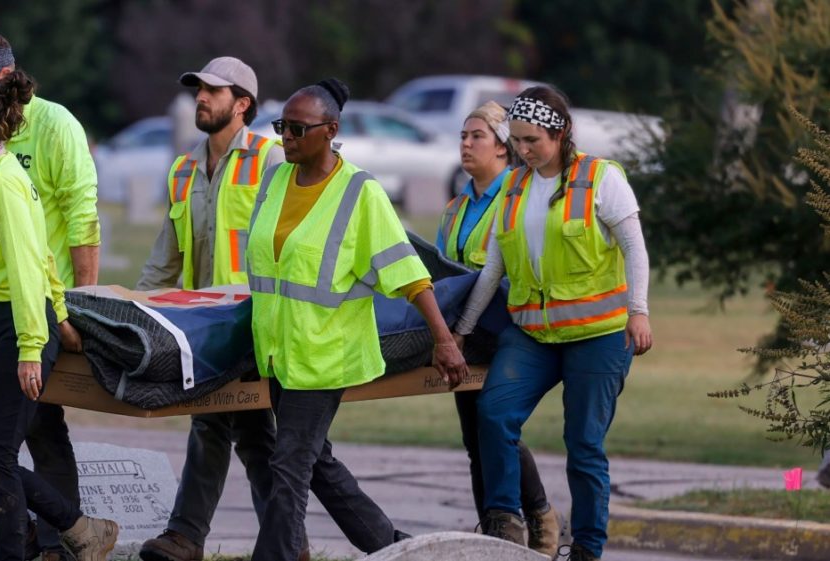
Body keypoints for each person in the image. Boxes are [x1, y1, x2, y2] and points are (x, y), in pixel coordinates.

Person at [245, 78, 468, 561]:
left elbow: (409, 274)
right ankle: (388, 548)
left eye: (297, 128)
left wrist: (444, 341)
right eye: (282, 126)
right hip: (279, 350)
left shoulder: (359, 193)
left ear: (330, 131)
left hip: (326, 354)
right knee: (314, 462)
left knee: (289, 467)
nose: (285, 136)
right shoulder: (275, 180)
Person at [452, 86, 653, 561]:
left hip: (598, 335)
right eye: (516, 140)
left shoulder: (600, 178)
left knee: (583, 444)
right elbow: (494, 270)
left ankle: (586, 548)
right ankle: (504, 525)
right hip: (534, 335)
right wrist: (460, 330)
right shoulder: (514, 188)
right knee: (494, 413)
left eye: (532, 140)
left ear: (560, 133)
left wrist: (639, 310)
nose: (522, 151)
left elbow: (635, 249)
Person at [0, 28, 101, 561]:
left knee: (39, 425)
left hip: (38, 307)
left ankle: (62, 542)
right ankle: (12, 520)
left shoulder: (55, 128)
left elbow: (82, 217)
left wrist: (81, 310)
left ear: (5, 80)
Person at [135, 56, 292, 561]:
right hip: (204, 325)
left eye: (214, 91)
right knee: (245, 432)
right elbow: (167, 254)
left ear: (242, 104)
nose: (201, 97)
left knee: (217, 422)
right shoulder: (183, 168)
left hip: (253, 322)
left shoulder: (271, 160)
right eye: (198, 89)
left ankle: (186, 537)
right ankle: (284, 542)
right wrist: (136, 313)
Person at [436, 101, 559, 555]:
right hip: (465, 333)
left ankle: (537, 518)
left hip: (509, 327)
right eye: (463, 137)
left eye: (477, 137)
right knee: (476, 435)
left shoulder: (522, 198)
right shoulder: (455, 206)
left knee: (494, 427)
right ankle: (495, 526)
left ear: (504, 149)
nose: (466, 144)